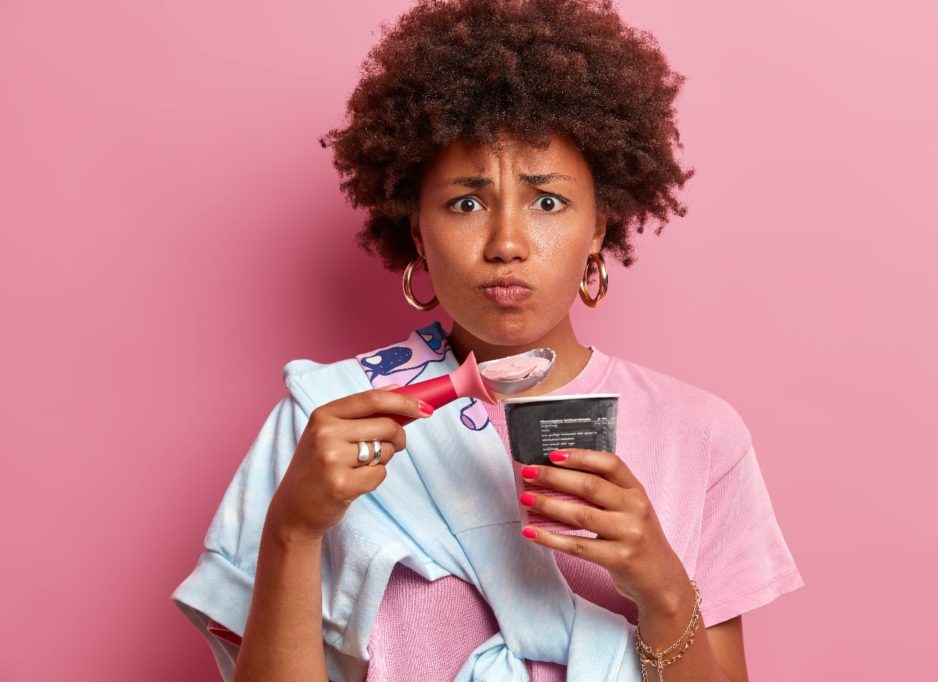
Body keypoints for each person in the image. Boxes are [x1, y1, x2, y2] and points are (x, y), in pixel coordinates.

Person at [172, 1, 805, 680]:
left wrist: (663, 588)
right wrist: (293, 528)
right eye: (466, 203)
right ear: (418, 230)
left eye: (548, 202)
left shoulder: (699, 436)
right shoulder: (326, 424)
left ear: (598, 228)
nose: (506, 244)